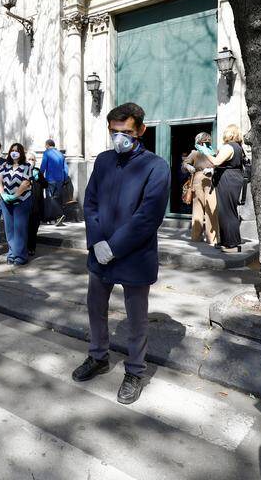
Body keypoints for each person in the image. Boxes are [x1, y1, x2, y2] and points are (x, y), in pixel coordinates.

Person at [71, 102, 170, 405]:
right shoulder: (103, 161)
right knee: (95, 308)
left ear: (141, 130)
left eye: (126, 132)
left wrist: (113, 247)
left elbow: (148, 217)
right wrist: (96, 241)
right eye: (114, 132)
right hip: (100, 252)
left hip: (134, 255)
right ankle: (98, 356)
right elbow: (90, 203)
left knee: (136, 318)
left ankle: (135, 371)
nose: (119, 138)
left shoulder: (156, 166)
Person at [201, 124, 245, 253]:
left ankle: (232, 245)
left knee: (227, 212)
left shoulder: (229, 147)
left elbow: (216, 162)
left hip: (228, 180)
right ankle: (227, 241)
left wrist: (205, 152)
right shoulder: (238, 147)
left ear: (229, 134)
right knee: (227, 211)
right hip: (233, 178)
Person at [0, 143, 33, 265]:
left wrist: (15, 195)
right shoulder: (5, 165)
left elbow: (26, 183)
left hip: (22, 200)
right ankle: (12, 253)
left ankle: (21, 256)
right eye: (12, 150)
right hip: (6, 201)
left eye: (17, 151)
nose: (14, 152)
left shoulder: (27, 166)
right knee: (9, 229)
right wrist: (3, 195)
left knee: (20, 229)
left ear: (21, 153)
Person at [182, 132, 219, 245]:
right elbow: (184, 164)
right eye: (204, 140)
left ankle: (212, 238)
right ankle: (196, 236)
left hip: (211, 180)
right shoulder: (194, 153)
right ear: (199, 142)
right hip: (198, 180)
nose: (207, 142)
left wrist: (214, 169)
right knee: (198, 208)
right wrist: (189, 167)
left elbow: (219, 164)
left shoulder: (215, 152)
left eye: (208, 140)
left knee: (211, 208)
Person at [40, 139, 68, 223]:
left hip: (50, 179)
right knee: (57, 198)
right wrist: (64, 179)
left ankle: (52, 218)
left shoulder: (47, 153)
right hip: (60, 180)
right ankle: (57, 218)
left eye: (45, 145)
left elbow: (43, 166)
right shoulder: (61, 154)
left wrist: (39, 176)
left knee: (50, 199)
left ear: (47, 145)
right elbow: (66, 168)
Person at [26, 152, 46, 256]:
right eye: (29, 159)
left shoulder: (38, 172)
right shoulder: (22, 171)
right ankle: (24, 247)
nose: (31, 161)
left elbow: (45, 184)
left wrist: (39, 178)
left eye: (32, 159)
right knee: (26, 227)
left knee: (34, 228)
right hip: (25, 205)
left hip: (37, 205)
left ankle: (31, 247)